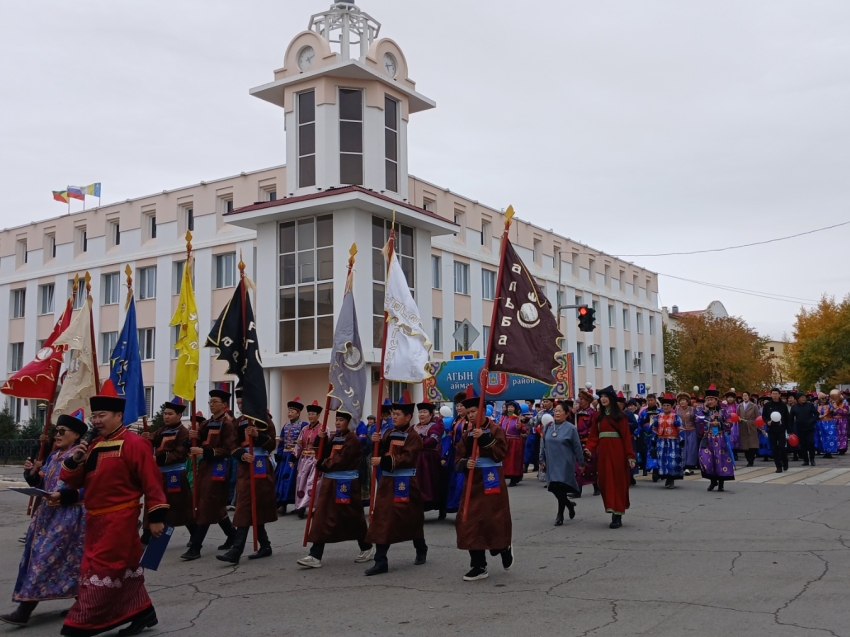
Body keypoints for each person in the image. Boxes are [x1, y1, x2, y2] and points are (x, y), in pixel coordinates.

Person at [59, 395, 168, 637]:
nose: (96, 421)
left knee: (102, 570)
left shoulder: (135, 444)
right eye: (94, 416)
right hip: (95, 520)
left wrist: (157, 517)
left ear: (119, 416)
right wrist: (76, 460)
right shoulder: (95, 445)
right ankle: (143, 612)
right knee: (124, 569)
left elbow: (152, 482)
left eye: (102, 416)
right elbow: (73, 480)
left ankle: (80, 623)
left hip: (120, 519)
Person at [1, 415, 87, 627]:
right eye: (56, 431)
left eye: (62, 431)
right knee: (45, 559)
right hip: (46, 515)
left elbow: (91, 487)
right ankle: (83, 603)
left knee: (47, 559)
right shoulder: (54, 456)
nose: (56, 435)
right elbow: (45, 481)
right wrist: (31, 475)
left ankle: (24, 610)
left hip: (69, 516)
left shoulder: (82, 457)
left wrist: (67, 496)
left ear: (76, 435)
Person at [298, 412, 374, 568]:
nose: (338, 423)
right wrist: (322, 438)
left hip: (345, 483)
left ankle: (366, 547)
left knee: (352, 517)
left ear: (349, 422)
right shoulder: (335, 437)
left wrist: (322, 464)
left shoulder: (352, 440)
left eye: (341, 420)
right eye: (336, 420)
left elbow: (341, 460)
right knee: (322, 515)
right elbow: (323, 452)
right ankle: (315, 555)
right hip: (330, 482)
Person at [452, 389, 513, 581]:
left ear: (483, 411)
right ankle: (478, 565)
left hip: (491, 478)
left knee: (492, 519)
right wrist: (464, 463)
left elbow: (501, 452)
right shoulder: (466, 432)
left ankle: (503, 547)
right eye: (467, 412)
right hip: (473, 481)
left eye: (473, 412)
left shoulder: (496, 429)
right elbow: (459, 455)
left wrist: (485, 438)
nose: (470, 415)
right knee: (469, 521)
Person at [364, 393, 427, 576]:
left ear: (408, 417)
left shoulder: (413, 436)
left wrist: (382, 461)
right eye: (393, 413)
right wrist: (375, 442)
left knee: (412, 518)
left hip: (406, 482)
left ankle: (421, 547)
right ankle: (381, 560)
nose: (394, 416)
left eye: (398, 414)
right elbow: (381, 450)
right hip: (387, 482)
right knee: (383, 518)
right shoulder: (389, 433)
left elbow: (407, 458)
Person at [217, 387, 278, 563]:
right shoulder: (238, 422)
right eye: (238, 404)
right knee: (245, 505)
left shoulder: (263, 419)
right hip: (245, 465)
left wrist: (258, 435)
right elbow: (231, 444)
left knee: (253, 505)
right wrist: (241, 454)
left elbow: (272, 443)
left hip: (260, 465)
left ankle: (238, 550)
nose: (241, 406)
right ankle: (261, 546)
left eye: (243, 403)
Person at [182, 388, 237, 561]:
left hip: (218, 467)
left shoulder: (228, 425)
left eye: (215, 402)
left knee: (206, 504)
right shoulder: (206, 423)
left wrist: (204, 452)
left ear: (225, 405)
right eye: (210, 402)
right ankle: (233, 536)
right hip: (205, 466)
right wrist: (190, 438)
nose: (212, 405)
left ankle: (196, 546)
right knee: (213, 504)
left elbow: (228, 449)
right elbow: (196, 442)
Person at [141, 399, 194, 546]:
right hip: (158, 475)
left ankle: (195, 534)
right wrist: (146, 439)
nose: (166, 417)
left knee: (179, 507)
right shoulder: (162, 430)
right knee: (152, 504)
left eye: (170, 414)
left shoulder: (183, 433)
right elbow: (152, 439)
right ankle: (145, 537)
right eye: (165, 413)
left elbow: (180, 453)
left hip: (174, 475)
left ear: (179, 415)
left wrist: (156, 458)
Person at [584, 386, 636, 529]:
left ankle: (617, 514)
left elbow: (626, 437)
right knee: (605, 481)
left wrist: (630, 456)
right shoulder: (597, 416)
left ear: (612, 398)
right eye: (601, 397)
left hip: (618, 451)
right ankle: (611, 507)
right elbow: (594, 436)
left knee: (618, 481)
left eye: (606, 396)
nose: (603, 399)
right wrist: (589, 448)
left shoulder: (621, 416)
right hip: (604, 453)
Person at [539, 402, 583, 526]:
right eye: (556, 411)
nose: (557, 413)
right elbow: (543, 444)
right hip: (551, 462)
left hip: (565, 462)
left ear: (566, 413)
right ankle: (569, 504)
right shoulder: (548, 427)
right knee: (553, 487)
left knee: (561, 487)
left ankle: (560, 515)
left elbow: (577, 447)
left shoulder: (571, 428)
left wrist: (581, 462)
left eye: (560, 411)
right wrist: (541, 459)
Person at [697, 384, 735, 490]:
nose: (709, 401)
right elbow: (697, 420)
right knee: (706, 459)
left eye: (711, 399)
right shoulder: (703, 411)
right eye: (707, 399)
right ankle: (713, 481)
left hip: (720, 438)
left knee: (720, 459)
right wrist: (705, 413)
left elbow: (729, 423)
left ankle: (721, 483)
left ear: (716, 400)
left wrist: (719, 424)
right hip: (707, 438)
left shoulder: (723, 411)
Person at [292, 401, 324, 519]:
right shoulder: (304, 429)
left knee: (313, 483)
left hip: (316, 460)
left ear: (318, 415)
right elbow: (299, 444)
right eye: (309, 414)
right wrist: (293, 457)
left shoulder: (323, 429)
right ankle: (301, 506)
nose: (310, 416)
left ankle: (313, 507)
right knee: (301, 482)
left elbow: (326, 445)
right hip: (304, 460)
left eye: (313, 414)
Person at [412, 402, 445, 515]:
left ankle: (439, 506)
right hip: (416, 459)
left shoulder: (434, 426)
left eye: (424, 412)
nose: (421, 414)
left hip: (429, 460)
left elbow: (432, 441)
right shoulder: (414, 427)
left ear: (431, 414)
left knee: (431, 483)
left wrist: (417, 443)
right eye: (420, 412)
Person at [275, 397, 305, 515]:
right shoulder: (285, 426)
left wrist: (298, 455)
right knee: (281, 479)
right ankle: (282, 504)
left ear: (298, 413)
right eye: (288, 411)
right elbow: (281, 442)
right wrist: (279, 453)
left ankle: (299, 505)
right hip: (285, 457)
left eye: (292, 411)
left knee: (294, 480)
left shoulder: (303, 425)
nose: (289, 413)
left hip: (296, 457)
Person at [443, 392, 468, 513]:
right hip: (454, 453)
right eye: (457, 405)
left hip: (465, 454)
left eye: (461, 405)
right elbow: (449, 438)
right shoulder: (455, 421)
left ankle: (463, 507)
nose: (458, 408)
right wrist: (444, 454)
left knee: (461, 481)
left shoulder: (471, 422)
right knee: (452, 481)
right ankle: (454, 506)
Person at [652, 394, 684, 488]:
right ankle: (666, 477)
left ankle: (671, 479)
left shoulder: (676, 416)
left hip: (673, 442)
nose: (666, 407)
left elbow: (680, 428)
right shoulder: (658, 417)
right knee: (662, 460)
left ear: (672, 406)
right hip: (661, 442)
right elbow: (654, 428)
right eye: (664, 405)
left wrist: (682, 439)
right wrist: (654, 439)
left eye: (668, 406)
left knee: (672, 460)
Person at [574, 391, 599, 496]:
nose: (580, 401)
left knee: (591, 467)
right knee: (577, 466)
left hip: (588, 443)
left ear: (588, 401)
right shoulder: (577, 413)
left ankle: (597, 487)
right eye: (579, 399)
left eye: (582, 399)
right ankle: (577, 490)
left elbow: (593, 429)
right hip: (578, 442)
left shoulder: (592, 413)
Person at [762, 388, 790, 472]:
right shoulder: (767, 405)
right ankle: (778, 466)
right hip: (771, 430)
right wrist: (767, 422)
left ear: (779, 395)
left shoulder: (783, 405)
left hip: (781, 429)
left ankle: (785, 462)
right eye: (773, 394)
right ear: (771, 395)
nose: (774, 395)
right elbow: (764, 416)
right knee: (774, 448)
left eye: (776, 394)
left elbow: (787, 418)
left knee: (782, 447)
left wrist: (789, 430)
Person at [499, 401, 526, 486]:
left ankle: (514, 478)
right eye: (509, 407)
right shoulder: (503, 418)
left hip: (515, 442)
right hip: (505, 441)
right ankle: (505, 475)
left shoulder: (519, 418)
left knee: (513, 460)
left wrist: (520, 427)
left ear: (515, 408)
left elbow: (524, 430)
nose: (510, 408)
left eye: (512, 407)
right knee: (505, 460)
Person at [791, 392, 819, 466]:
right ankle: (805, 460)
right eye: (801, 397)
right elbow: (790, 418)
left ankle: (812, 459)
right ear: (797, 399)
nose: (803, 399)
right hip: (799, 428)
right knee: (803, 445)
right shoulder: (794, 407)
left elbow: (816, 414)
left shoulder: (810, 405)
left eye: (804, 397)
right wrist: (790, 429)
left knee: (811, 443)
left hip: (809, 428)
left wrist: (812, 421)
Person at [637, 394, 660, 477]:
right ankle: (645, 468)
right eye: (648, 401)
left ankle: (656, 470)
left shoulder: (660, 412)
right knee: (645, 452)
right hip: (646, 436)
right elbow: (639, 424)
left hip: (657, 436)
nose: (650, 402)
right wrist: (638, 433)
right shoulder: (643, 412)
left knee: (655, 452)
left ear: (655, 401)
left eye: (651, 400)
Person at [737, 391, 761, 467]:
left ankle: (751, 460)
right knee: (745, 445)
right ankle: (748, 459)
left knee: (752, 444)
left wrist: (755, 424)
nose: (745, 397)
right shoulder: (740, 406)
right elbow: (737, 416)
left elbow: (757, 417)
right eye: (743, 396)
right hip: (743, 426)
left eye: (746, 395)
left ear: (749, 396)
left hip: (751, 425)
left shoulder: (754, 406)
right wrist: (739, 419)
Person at [722, 390, 740, 460]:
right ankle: (729, 452)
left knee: (735, 438)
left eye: (731, 397)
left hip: (735, 424)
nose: (730, 399)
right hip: (727, 423)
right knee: (728, 438)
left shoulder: (737, 406)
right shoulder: (724, 407)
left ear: (734, 398)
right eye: (728, 397)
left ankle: (735, 453)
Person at [830, 389, 848, 455]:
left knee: (843, 434)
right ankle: (836, 447)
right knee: (835, 434)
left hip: (843, 421)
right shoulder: (832, 404)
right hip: (834, 421)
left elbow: (845, 412)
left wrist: (837, 409)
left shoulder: (845, 404)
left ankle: (842, 448)